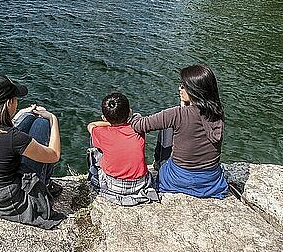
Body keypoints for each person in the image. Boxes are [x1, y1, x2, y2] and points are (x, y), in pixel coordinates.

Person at [0, 73, 65, 228]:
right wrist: (52, 119)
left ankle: (28, 118)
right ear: (9, 103)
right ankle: (45, 184)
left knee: (30, 119)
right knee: (41, 124)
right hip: (5, 199)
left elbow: (0, 139)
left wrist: (22, 115)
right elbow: (54, 155)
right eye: (15, 98)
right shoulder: (13, 138)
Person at [131, 65, 228, 199]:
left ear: (194, 90)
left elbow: (140, 125)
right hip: (210, 181)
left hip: (180, 179)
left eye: (183, 86)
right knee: (172, 124)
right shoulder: (218, 112)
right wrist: (185, 106)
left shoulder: (177, 114)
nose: (179, 88)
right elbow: (194, 121)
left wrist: (133, 115)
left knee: (167, 126)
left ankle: (158, 164)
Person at [87, 92, 159, 206]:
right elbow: (137, 115)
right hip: (140, 184)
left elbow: (91, 126)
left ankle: (93, 170)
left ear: (104, 118)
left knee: (94, 141)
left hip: (113, 186)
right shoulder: (138, 127)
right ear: (129, 112)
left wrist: (109, 124)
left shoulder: (101, 132)